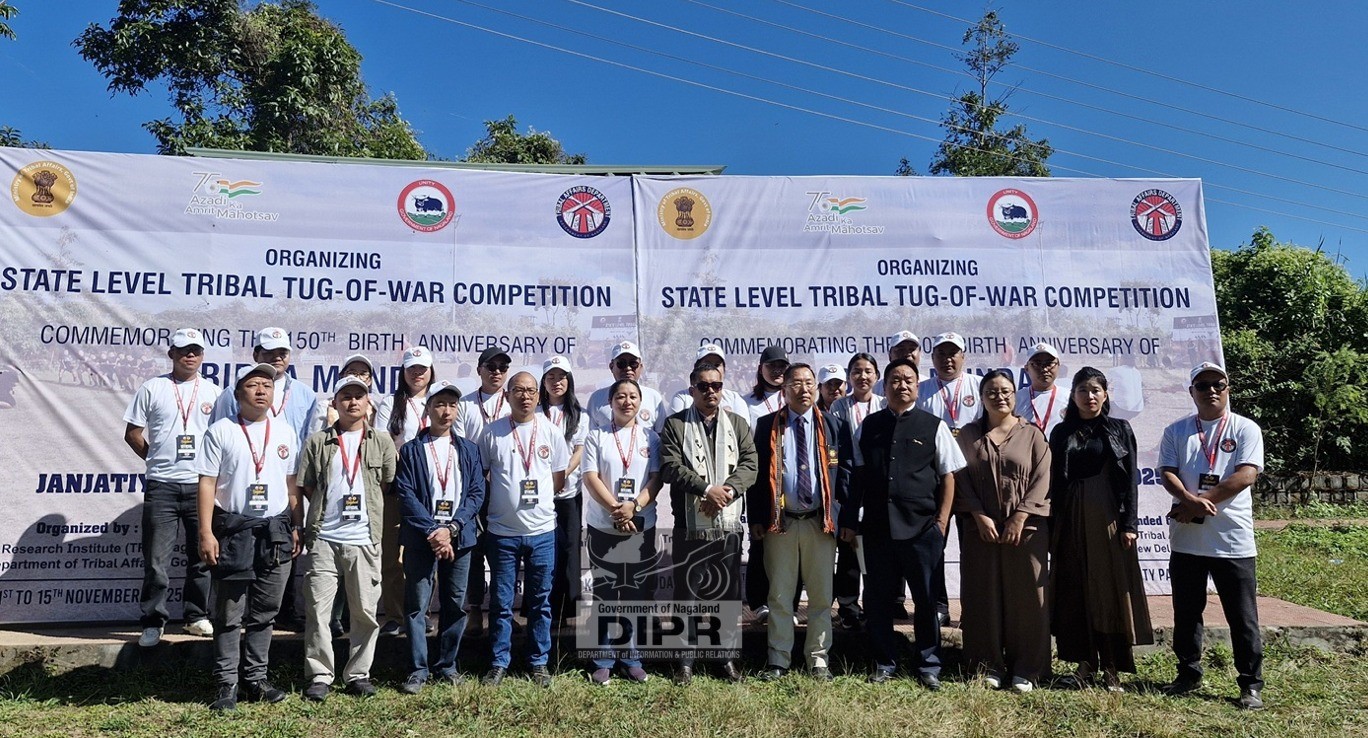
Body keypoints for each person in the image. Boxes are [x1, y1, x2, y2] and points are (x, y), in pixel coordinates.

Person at [840, 358, 965, 690]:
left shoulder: (934, 425)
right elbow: (858, 477)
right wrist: (850, 520)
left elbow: (948, 476)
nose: (902, 385)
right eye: (895, 380)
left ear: (917, 386)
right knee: (878, 600)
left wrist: (941, 522)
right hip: (878, 529)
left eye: (909, 380)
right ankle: (884, 662)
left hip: (922, 530)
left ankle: (929, 664)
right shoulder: (869, 426)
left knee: (925, 600)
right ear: (885, 386)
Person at [196, 363, 303, 712]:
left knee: (265, 612)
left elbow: (291, 484)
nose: (261, 391)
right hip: (234, 532)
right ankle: (226, 683)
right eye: (253, 384)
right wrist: (206, 532)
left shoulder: (285, 431)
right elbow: (207, 483)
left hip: (275, 532)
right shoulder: (221, 431)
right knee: (229, 614)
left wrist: (296, 525)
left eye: (267, 385)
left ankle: (256, 678)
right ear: (238, 392)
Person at [1160, 363, 1266, 710]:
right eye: (1203, 385)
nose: (1211, 391)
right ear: (1191, 392)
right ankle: (1188, 673)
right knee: (1186, 612)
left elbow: (1246, 475)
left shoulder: (1245, 428)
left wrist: (1198, 502)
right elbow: (1167, 473)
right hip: (1187, 539)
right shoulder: (1176, 430)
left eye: (1218, 384)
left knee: (1242, 616)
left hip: (1232, 539)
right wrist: (1187, 500)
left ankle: (1250, 683)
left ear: (1227, 389)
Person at [1048, 367, 1152, 691]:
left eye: (1095, 390)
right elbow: (1054, 482)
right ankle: (1084, 664)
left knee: (1108, 591)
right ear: (1073, 395)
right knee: (1075, 589)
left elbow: (1130, 480)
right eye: (1082, 390)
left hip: (1107, 517)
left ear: (1106, 394)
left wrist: (1129, 524)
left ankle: (1111, 667)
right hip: (1070, 519)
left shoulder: (1120, 428)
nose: (1089, 396)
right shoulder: (1061, 432)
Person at [748, 364, 852, 681]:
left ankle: (818, 659)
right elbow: (756, 476)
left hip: (819, 523)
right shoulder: (767, 425)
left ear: (817, 387)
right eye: (796, 383)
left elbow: (847, 474)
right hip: (780, 523)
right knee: (779, 595)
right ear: (785, 390)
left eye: (809, 382)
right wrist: (756, 518)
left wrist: (844, 516)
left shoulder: (834, 425)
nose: (803, 389)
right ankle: (778, 660)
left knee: (821, 595)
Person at [296, 377, 398, 701]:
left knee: (364, 611)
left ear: (368, 403)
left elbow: (385, 483)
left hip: (365, 538)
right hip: (324, 537)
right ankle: (320, 675)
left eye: (359, 396)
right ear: (335, 403)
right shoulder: (317, 441)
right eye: (346, 397)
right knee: (318, 611)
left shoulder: (382, 441)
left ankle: (358, 674)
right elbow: (308, 486)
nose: (353, 402)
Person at [211, 327, 318, 632]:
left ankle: (285, 612)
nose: (277, 357)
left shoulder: (306, 395)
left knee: (284, 550)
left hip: (285, 480)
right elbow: (219, 439)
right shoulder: (232, 392)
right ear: (256, 354)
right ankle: (234, 619)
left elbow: (309, 440)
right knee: (237, 562)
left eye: (282, 352)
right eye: (269, 352)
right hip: (241, 488)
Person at [953, 370, 1052, 692]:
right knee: (981, 597)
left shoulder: (1032, 434)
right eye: (992, 392)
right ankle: (987, 666)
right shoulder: (968, 435)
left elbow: (1042, 478)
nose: (1000, 397)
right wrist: (978, 515)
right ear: (982, 398)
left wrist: (1020, 516)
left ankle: (1027, 668)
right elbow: (960, 477)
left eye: (1006, 391)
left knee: (1029, 598)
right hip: (981, 531)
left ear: (1015, 394)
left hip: (1026, 531)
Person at [660, 363, 758, 685]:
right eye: (703, 386)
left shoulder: (738, 424)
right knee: (687, 596)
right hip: (690, 526)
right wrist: (706, 490)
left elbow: (750, 464)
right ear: (692, 391)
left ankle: (725, 658)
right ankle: (684, 662)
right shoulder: (675, 425)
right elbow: (670, 467)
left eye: (716, 385)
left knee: (727, 595)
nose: (710, 391)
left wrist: (725, 492)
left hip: (728, 526)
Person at [123, 328, 221, 646]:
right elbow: (133, 434)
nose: (190, 355)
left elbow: (224, 438)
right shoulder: (152, 388)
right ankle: (153, 621)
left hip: (201, 486)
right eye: (183, 349)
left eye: (196, 350)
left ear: (202, 356)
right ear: (172, 354)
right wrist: (156, 460)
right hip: (162, 486)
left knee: (202, 556)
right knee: (156, 560)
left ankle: (196, 617)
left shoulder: (215, 392)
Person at [393, 380, 486, 694]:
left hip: (459, 538)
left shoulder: (469, 449)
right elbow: (406, 495)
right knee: (417, 606)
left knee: (454, 604)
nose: (446, 411)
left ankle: (447, 665)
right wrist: (433, 530)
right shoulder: (411, 450)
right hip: (422, 539)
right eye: (440, 404)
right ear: (428, 409)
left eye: (452, 405)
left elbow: (476, 493)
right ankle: (417, 670)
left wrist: (452, 528)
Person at [479, 370, 570, 687]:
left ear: (538, 395)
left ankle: (538, 661)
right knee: (501, 602)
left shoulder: (551, 432)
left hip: (542, 531)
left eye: (531, 390)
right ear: (507, 396)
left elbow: (558, 479)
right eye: (518, 390)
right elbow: (484, 477)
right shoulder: (491, 433)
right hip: (502, 532)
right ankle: (498, 662)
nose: (525, 396)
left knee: (540, 602)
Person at [581, 378, 663, 685]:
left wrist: (634, 507)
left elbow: (656, 478)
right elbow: (590, 477)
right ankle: (602, 658)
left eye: (632, 397)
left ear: (640, 402)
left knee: (634, 595)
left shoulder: (651, 437)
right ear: (610, 402)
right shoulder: (596, 436)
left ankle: (631, 658)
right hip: (603, 525)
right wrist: (617, 509)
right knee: (604, 595)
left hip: (641, 525)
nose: (627, 402)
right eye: (620, 396)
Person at [917, 331, 981, 626]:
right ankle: (938, 605)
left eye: (953, 353)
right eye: (941, 354)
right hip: (936, 480)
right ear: (932, 358)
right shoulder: (922, 390)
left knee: (972, 548)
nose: (947, 359)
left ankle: (972, 607)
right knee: (934, 545)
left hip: (971, 479)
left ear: (963, 356)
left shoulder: (978, 386)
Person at [373, 346, 436, 637]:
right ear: (403, 372)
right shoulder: (390, 402)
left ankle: (421, 614)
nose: (417, 373)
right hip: (397, 489)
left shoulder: (439, 400)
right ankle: (395, 616)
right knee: (392, 557)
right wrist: (405, 469)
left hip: (432, 490)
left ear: (431, 371)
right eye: (412, 368)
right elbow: (383, 442)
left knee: (426, 555)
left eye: (422, 368)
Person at [828, 353, 886, 630]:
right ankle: (848, 607)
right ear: (849, 377)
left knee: (877, 550)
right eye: (857, 371)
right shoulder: (839, 406)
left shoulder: (884, 403)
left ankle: (878, 605)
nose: (862, 376)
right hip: (850, 482)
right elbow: (838, 445)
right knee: (849, 548)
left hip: (879, 482)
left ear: (876, 376)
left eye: (868, 371)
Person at [457, 346, 513, 635]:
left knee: (504, 551)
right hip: (474, 486)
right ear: (479, 370)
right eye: (491, 367)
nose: (497, 372)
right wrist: (479, 475)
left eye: (503, 367)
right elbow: (459, 446)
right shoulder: (465, 404)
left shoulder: (515, 401)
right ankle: (475, 610)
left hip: (506, 488)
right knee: (475, 550)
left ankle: (503, 612)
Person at [539, 355, 589, 625]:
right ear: (543, 382)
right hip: (539, 495)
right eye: (551, 377)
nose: (556, 382)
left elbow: (579, 450)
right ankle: (542, 607)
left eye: (561, 377)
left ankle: (567, 611)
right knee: (544, 551)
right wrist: (546, 481)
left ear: (569, 381)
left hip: (568, 493)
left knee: (569, 551)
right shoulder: (535, 412)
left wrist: (561, 475)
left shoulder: (580, 415)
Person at [743, 345, 788, 624]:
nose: (778, 370)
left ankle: (785, 602)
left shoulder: (794, 396)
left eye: (782, 366)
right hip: (759, 478)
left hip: (790, 479)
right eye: (772, 366)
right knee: (760, 542)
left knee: (788, 544)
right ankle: (759, 602)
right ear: (761, 369)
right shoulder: (747, 402)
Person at [587, 341, 667, 431]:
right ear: (611, 366)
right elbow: (590, 433)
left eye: (633, 364)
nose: (628, 368)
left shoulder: (653, 397)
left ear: (641, 367)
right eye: (621, 363)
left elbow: (661, 434)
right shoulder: (597, 398)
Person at [667, 343, 750, 420]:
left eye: (717, 365)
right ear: (696, 368)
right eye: (707, 364)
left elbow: (741, 428)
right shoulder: (682, 398)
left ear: (724, 369)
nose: (713, 369)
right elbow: (677, 428)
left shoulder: (735, 399)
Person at [1016, 342, 1066, 438]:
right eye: (1037, 364)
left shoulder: (1070, 397)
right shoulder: (1016, 399)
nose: (1044, 369)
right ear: (1026, 368)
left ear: (1058, 365)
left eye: (1049, 363)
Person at [873, 330, 921, 395]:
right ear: (890, 355)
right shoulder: (876, 390)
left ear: (919, 353)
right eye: (901, 349)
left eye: (912, 349)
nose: (906, 354)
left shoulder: (927, 386)